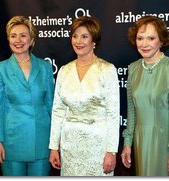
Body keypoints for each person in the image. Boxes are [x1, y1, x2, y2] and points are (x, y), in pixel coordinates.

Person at [121, 15, 169, 176]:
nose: (144, 44)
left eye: (151, 38)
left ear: (161, 41)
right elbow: (132, 112)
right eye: (140, 38)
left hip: (166, 144)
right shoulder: (133, 69)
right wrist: (127, 143)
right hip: (140, 142)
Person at [48, 16, 120, 176]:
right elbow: (58, 111)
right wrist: (54, 147)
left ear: (94, 41)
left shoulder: (107, 70)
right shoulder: (64, 71)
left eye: (84, 36)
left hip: (98, 146)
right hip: (70, 145)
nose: (78, 41)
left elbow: (113, 114)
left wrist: (111, 151)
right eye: (75, 36)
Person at [0, 15, 54, 176]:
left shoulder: (45, 67)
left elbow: (51, 105)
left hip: (42, 140)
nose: (18, 40)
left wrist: (55, 142)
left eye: (23, 35)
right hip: (11, 142)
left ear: (32, 40)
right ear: (8, 39)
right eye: (13, 35)